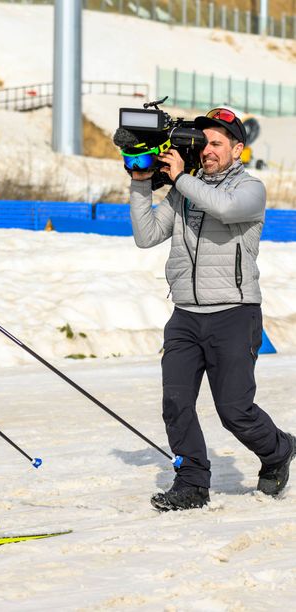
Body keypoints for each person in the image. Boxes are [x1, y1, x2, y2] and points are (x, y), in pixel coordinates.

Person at [127, 107, 295, 511]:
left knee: (235, 410)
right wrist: (141, 183)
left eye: (217, 143)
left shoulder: (250, 189)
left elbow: (226, 209)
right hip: (185, 315)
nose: (207, 150)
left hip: (234, 313)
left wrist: (180, 178)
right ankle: (191, 484)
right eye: (203, 143)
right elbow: (146, 236)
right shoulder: (186, 191)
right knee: (176, 403)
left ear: (238, 149)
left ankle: (278, 450)